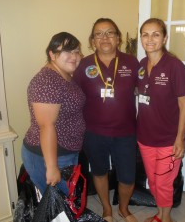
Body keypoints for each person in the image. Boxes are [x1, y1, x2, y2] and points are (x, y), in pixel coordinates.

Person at [73, 18, 140, 222]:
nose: (104, 37)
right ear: (92, 40)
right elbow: (71, 92)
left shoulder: (131, 62)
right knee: (100, 172)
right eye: (99, 34)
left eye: (110, 32)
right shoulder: (83, 65)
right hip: (94, 132)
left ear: (118, 38)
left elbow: (145, 88)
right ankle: (106, 209)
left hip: (126, 132)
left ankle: (123, 208)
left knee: (128, 177)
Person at [137, 18, 185, 222]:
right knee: (153, 181)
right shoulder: (142, 65)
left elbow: (184, 104)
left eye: (155, 34)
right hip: (145, 137)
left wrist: (180, 138)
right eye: (145, 34)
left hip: (168, 140)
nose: (150, 39)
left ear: (164, 37)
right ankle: (160, 215)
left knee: (164, 183)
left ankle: (166, 218)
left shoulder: (175, 66)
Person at [21, 32, 85, 195]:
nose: (74, 56)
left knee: (65, 202)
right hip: (51, 156)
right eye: (68, 51)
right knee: (58, 207)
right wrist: (52, 167)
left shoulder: (63, 75)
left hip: (65, 151)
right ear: (52, 54)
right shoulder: (46, 82)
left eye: (76, 51)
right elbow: (46, 125)